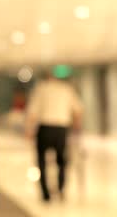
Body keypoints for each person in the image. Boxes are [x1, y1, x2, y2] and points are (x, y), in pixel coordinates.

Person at [24, 71, 82, 202]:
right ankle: (61, 188)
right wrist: (77, 127)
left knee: (42, 161)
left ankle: (45, 194)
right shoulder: (67, 89)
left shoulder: (41, 89)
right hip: (61, 129)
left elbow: (33, 111)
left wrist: (29, 130)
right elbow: (78, 111)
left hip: (45, 128)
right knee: (62, 161)